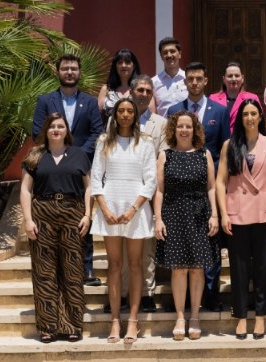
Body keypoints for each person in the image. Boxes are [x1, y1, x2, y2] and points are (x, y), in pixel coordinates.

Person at [32, 54, 104, 287]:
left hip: (81, 167)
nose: (70, 72)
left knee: (84, 217)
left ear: (79, 73)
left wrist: (76, 155)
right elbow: (37, 132)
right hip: (52, 167)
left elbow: (97, 132)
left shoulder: (91, 102)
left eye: (74, 68)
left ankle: (86, 268)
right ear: (58, 72)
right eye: (65, 68)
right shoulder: (45, 100)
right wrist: (59, 153)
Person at [90, 98, 157, 344]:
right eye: (122, 111)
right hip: (110, 207)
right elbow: (96, 177)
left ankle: (133, 320)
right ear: (115, 115)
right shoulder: (103, 142)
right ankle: (115, 320)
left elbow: (151, 180)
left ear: (135, 115)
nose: (126, 115)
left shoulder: (146, 143)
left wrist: (133, 209)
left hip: (136, 209)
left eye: (130, 111)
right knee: (115, 265)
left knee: (136, 264)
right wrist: (104, 209)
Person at [215, 99, 266, 340]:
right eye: (246, 114)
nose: (250, 118)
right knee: (239, 269)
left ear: (260, 116)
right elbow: (221, 181)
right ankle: (242, 317)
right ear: (240, 118)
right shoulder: (229, 145)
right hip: (237, 213)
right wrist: (223, 213)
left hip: (264, 213)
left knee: (264, 269)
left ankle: (261, 316)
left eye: (254, 113)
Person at [20, 113, 92, 343]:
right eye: (52, 126)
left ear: (66, 130)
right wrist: (28, 219)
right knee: (44, 271)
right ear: (46, 130)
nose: (56, 130)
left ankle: (72, 324)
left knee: (71, 270)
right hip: (42, 212)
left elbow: (89, 187)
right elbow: (25, 189)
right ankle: (48, 326)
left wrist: (88, 215)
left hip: (73, 212)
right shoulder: (35, 155)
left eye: (60, 126)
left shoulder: (79, 154)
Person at [168, 62, 230, 311]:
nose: (194, 82)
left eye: (199, 79)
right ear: (185, 82)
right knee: (182, 244)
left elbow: (225, 147)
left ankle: (212, 294)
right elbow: (170, 145)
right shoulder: (174, 110)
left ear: (206, 81)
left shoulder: (220, 110)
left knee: (210, 241)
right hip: (181, 188)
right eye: (190, 79)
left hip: (210, 184)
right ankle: (182, 300)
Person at [105, 75, 169, 314]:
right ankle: (121, 294)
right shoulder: (115, 122)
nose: (143, 93)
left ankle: (146, 294)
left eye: (147, 90)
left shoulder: (160, 123)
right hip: (120, 192)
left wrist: (153, 189)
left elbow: (162, 159)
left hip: (147, 193)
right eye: (139, 89)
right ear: (131, 92)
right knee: (121, 248)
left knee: (146, 248)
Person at [154, 111, 220, 340]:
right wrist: (158, 218)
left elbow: (211, 187)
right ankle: (180, 316)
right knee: (179, 268)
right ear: (174, 129)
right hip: (173, 214)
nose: (184, 130)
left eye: (188, 127)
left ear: (195, 130)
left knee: (197, 268)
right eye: (180, 126)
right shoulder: (165, 155)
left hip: (200, 214)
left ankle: (195, 316)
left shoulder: (205, 154)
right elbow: (160, 190)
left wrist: (215, 215)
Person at [209, 62, 261, 132]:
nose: (233, 79)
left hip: (242, 140)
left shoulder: (252, 98)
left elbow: (259, 121)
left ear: (242, 78)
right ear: (224, 79)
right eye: (230, 76)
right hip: (219, 141)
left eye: (237, 76)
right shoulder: (213, 99)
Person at [97, 48, 141, 125]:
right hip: (109, 135)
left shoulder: (142, 89)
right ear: (115, 66)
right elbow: (97, 116)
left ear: (133, 66)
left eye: (127, 62)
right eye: (120, 62)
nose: (123, 65)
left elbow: (149, 116)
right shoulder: (106, 89)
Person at [151, 37, 187, 117]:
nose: (169, 55)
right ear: (161, 56)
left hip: (186, 128)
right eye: (165, 52)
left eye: (172, 51)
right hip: (163, 128)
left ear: (179, 54)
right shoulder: (153, 82)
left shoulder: (188, 79)